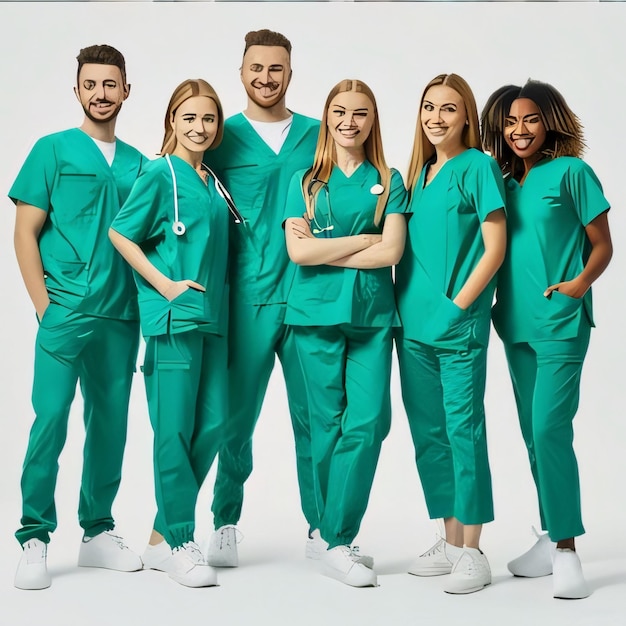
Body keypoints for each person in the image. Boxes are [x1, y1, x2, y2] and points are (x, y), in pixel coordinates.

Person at [9, 44, 145, 590]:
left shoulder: (139, 163)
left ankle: (97, 532)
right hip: (65, 310)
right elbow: (24, 232)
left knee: (110, 424)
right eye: (92, 83)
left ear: (126, 90)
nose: (101, 93)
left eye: (111, 84)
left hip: (122, 314)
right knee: (50, 421)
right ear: (78, 89)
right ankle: (35, 536)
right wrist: (44, 307)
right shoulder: (53, 151)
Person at [481, 80, 612, 600]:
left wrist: (578, 285)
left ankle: (566, 550)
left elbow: (602, 245)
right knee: (534, 436)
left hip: (561, 321)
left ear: (549, 121)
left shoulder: (573, 173)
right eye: (510, 123)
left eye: (530, 120)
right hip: (513, 324)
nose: (519, 130)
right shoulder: (503, 182)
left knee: (550, 430)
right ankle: (548, 531)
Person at [109, 79, 240, 588]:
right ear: (172, 122)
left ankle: (162, 537)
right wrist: (164, 285)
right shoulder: (159, 173)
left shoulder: (211, 179)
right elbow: (122, 231)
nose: (199, 128)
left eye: (208, 119)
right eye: (188, 118)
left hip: (214, 319)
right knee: (173, 430)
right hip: (175, 319)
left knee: (216, 424)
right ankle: (182, 539)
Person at [202, 29, 321, 566]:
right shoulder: (218, 137)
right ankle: (225, 520)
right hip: (245, 298)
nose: (266, 78)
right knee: (234, 419)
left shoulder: (321, 135)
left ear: (290, 73)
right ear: (242, 71)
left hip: (310, 297)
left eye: (276, 69)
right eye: (257, 68)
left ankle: (324, 528)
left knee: (316, 418)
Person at [284, 78, 407, 587]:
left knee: (370, 422)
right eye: (339, 112)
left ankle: (334, 532)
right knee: (325, 425)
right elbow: (299, 253)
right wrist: (363, 239)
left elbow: (393, 252)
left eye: (360, 113)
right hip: (313, 316)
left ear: (372, 120)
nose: (348, 122)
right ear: (328, 116)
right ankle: (333, 538)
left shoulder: (391, 178)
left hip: (373, 317)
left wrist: (328, 246)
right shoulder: (306, 181)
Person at [395, 74, 507, 594]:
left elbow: (494, 248)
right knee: (430, 437)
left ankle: (474, 549)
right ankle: (449, 537)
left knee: (464, 431)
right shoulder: (418, 174)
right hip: (410, 325)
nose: (436, 117)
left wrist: (459, 307)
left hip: (456, 323)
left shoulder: (479, 167)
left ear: (468, 117)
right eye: (428, 107)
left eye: (449, 108)